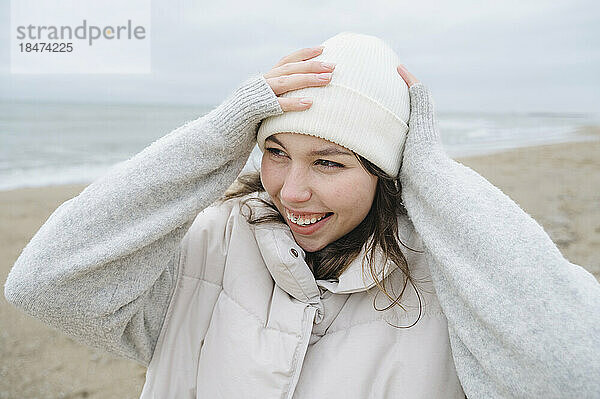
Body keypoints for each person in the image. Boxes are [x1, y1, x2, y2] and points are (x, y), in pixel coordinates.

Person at [4, 32, 599, 398]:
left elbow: (573, 374)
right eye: (275, 152)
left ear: (388, 172)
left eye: (329, 163)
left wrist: (433, 174)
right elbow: (47, 286)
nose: (292, 191)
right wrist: (216, 137)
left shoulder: (454, 287)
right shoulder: (211, 243)